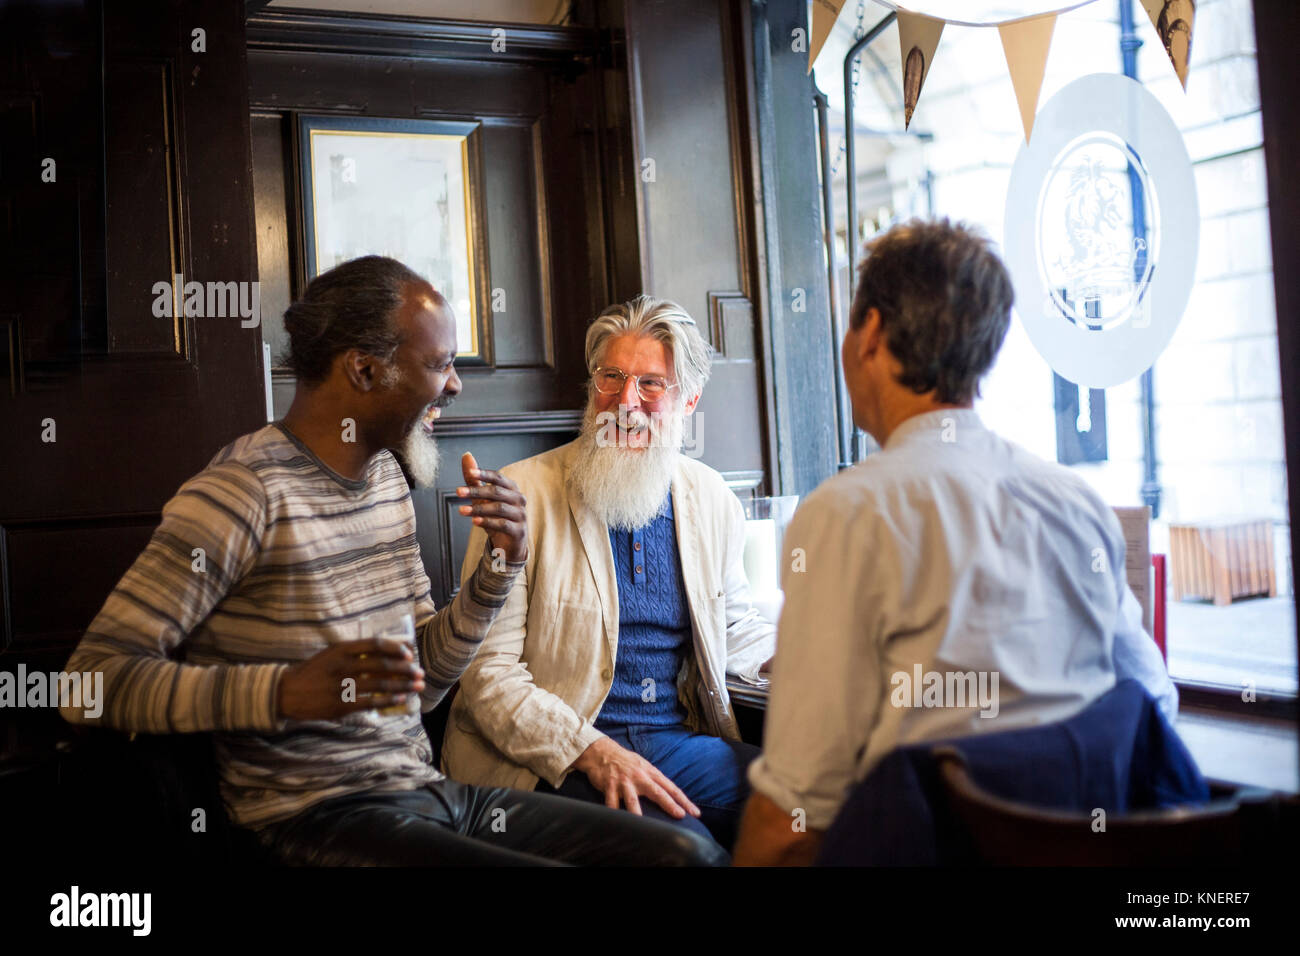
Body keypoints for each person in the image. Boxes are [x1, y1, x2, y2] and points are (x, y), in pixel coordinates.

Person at [59, 256, 725, 866]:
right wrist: (284, 692)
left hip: (427, 790)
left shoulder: (385, 482)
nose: (456, 384)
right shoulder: (242, 493)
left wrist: (498, 572)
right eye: (439, 364)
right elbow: (87, 685)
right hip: (310, 815)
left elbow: (425, 684)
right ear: (365, 370)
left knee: (682, 858)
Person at [733, 220, 1178, 865]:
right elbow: (1149, 701)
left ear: (874, 335)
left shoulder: (847, 512)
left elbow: (794, 809)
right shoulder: (1074, 501)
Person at [442, 294, 775, 853]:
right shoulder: (521, 495)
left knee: (817, 809)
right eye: (611, 377)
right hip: (553, 754)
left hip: (675, 742)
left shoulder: (712, 498)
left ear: (689, 399)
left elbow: (733, 623)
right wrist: (592, 750)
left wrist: (786, 657)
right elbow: (487, 676)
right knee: (687, 852)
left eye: (651, 384)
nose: (625, 402)